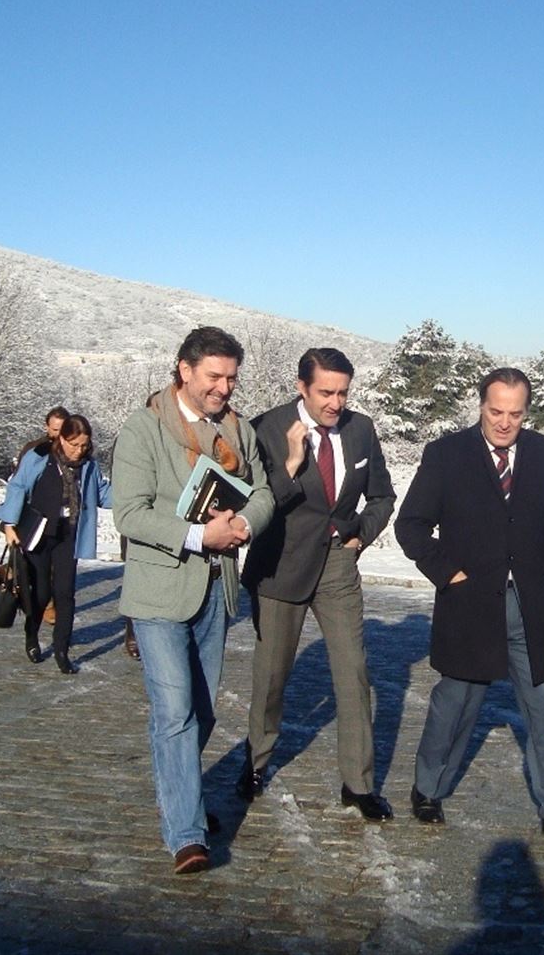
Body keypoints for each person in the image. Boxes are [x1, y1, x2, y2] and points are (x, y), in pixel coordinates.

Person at [395, 368, 544, 844]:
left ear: (526, 411)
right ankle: (428, 790)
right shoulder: (447, 454)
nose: (504, 422)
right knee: (455, 702)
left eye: (515, 414)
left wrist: (541, 573)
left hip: (528, 603)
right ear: (481, 405)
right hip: (469, 604)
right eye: (496, 411)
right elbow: (412, 525)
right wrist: (448, 574)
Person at [113, 326, 273, 875]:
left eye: (231, 378)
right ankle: (186, 832)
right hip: (158, 591)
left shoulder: (238, 431)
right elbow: (128, 513)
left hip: (216, 590)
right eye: (214, 376)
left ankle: (181, 794)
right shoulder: (144, 429)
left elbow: (264, 493)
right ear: (185, 370)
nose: (224, 388)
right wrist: (197, 535)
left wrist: (244, 526)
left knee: (200, 712)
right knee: (175, 709)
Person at [239, 348, 396, 819]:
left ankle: (359, 784)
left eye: (343, 392)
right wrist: (290, 461)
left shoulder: (360, 428)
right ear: (301, 386)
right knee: (271, 678)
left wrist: (359, 537)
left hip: (337, 564)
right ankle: (253, 764)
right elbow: (258, 500)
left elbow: (383, 495)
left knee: (353, 673)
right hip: (280, 564)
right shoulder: (265, 428)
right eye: (326, 392)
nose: (336, 402)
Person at [0, 413, 112, 675]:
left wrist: (136, 494)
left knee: (65, 593)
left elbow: (101, 493)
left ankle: (61, 650)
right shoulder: (40, 456)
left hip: (69, 534)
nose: (79, 451)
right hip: (38, 533)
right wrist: (9, 524)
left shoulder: (89, 466)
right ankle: (31, 635)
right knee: (41, 592)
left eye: (84, 446)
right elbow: (18, 487)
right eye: (73, 444)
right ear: (62, 438)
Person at [15, 406, 70, 628]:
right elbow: (19, 485)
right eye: (54, 429)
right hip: (35, 519)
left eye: (62, 429)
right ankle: (40, 606)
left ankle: (52, 605)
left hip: (63, 522)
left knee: (59, 573)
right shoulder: (35, 451)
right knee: (38, 570)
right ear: (47, 427)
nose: (57, 434)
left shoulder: (74, 451)